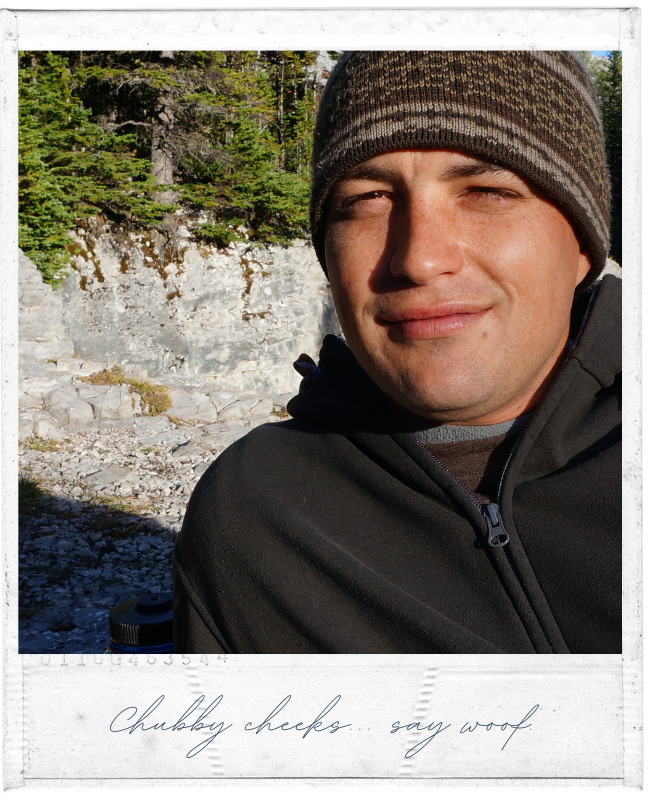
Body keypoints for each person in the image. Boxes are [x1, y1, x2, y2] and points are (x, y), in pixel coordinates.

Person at [173, 51, 621, 654]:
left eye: (487, 190)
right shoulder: (256, 517)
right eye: (367, 200)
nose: (418, 257)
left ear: (584, 248)